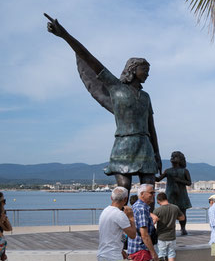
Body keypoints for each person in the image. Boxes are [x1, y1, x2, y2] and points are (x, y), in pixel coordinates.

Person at [45, 14, 161, 192]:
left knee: (149, 190)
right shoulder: (116, 87)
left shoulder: (145, 97)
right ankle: (121, 218)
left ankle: (146, 220)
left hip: (145, 146)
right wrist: (65, 35)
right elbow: (89, 58)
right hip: (123, 144)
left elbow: (151, 127)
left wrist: (157, 153)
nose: (147, 73)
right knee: (123, 188)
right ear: (133, 69)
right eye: (144, 70)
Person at [97, 186, 137, 261]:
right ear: (125, 200)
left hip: (102, 255)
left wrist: (120, 249)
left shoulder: (105, 211)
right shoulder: (119, 214)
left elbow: (110, 234)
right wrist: (131, 217)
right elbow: (133, 234)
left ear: (111, 198)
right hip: (112, 258)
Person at [127, 184, 159, 261]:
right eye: (151, 193)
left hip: (136, 248)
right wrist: (154, 254)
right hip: (141, 250)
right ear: (142, 194)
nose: (154, 195)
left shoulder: (136, 206)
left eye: (154, 193)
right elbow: (144, 234)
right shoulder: (141, 209)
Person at [157, 151, 192, 236]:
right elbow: (158, 179)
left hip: (181, 194)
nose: (173, 158)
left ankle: (183, 228)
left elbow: (189, 182)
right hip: (170, 194)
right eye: (172, 156)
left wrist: (179, 180)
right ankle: (170, 228)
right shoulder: (167, 171)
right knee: (168, 212)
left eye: (175, 157)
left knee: (183, 212)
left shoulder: (184, 171)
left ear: (180, 160)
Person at [151, 192, 184, 261]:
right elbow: (182, 218)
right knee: (171, 255)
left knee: (161, 256)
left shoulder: (157, 210)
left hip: (161, 236)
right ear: (166, 198)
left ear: (158, 200)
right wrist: (174, 217)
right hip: (172, 236)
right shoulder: (175, 208)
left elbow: (153, 222)